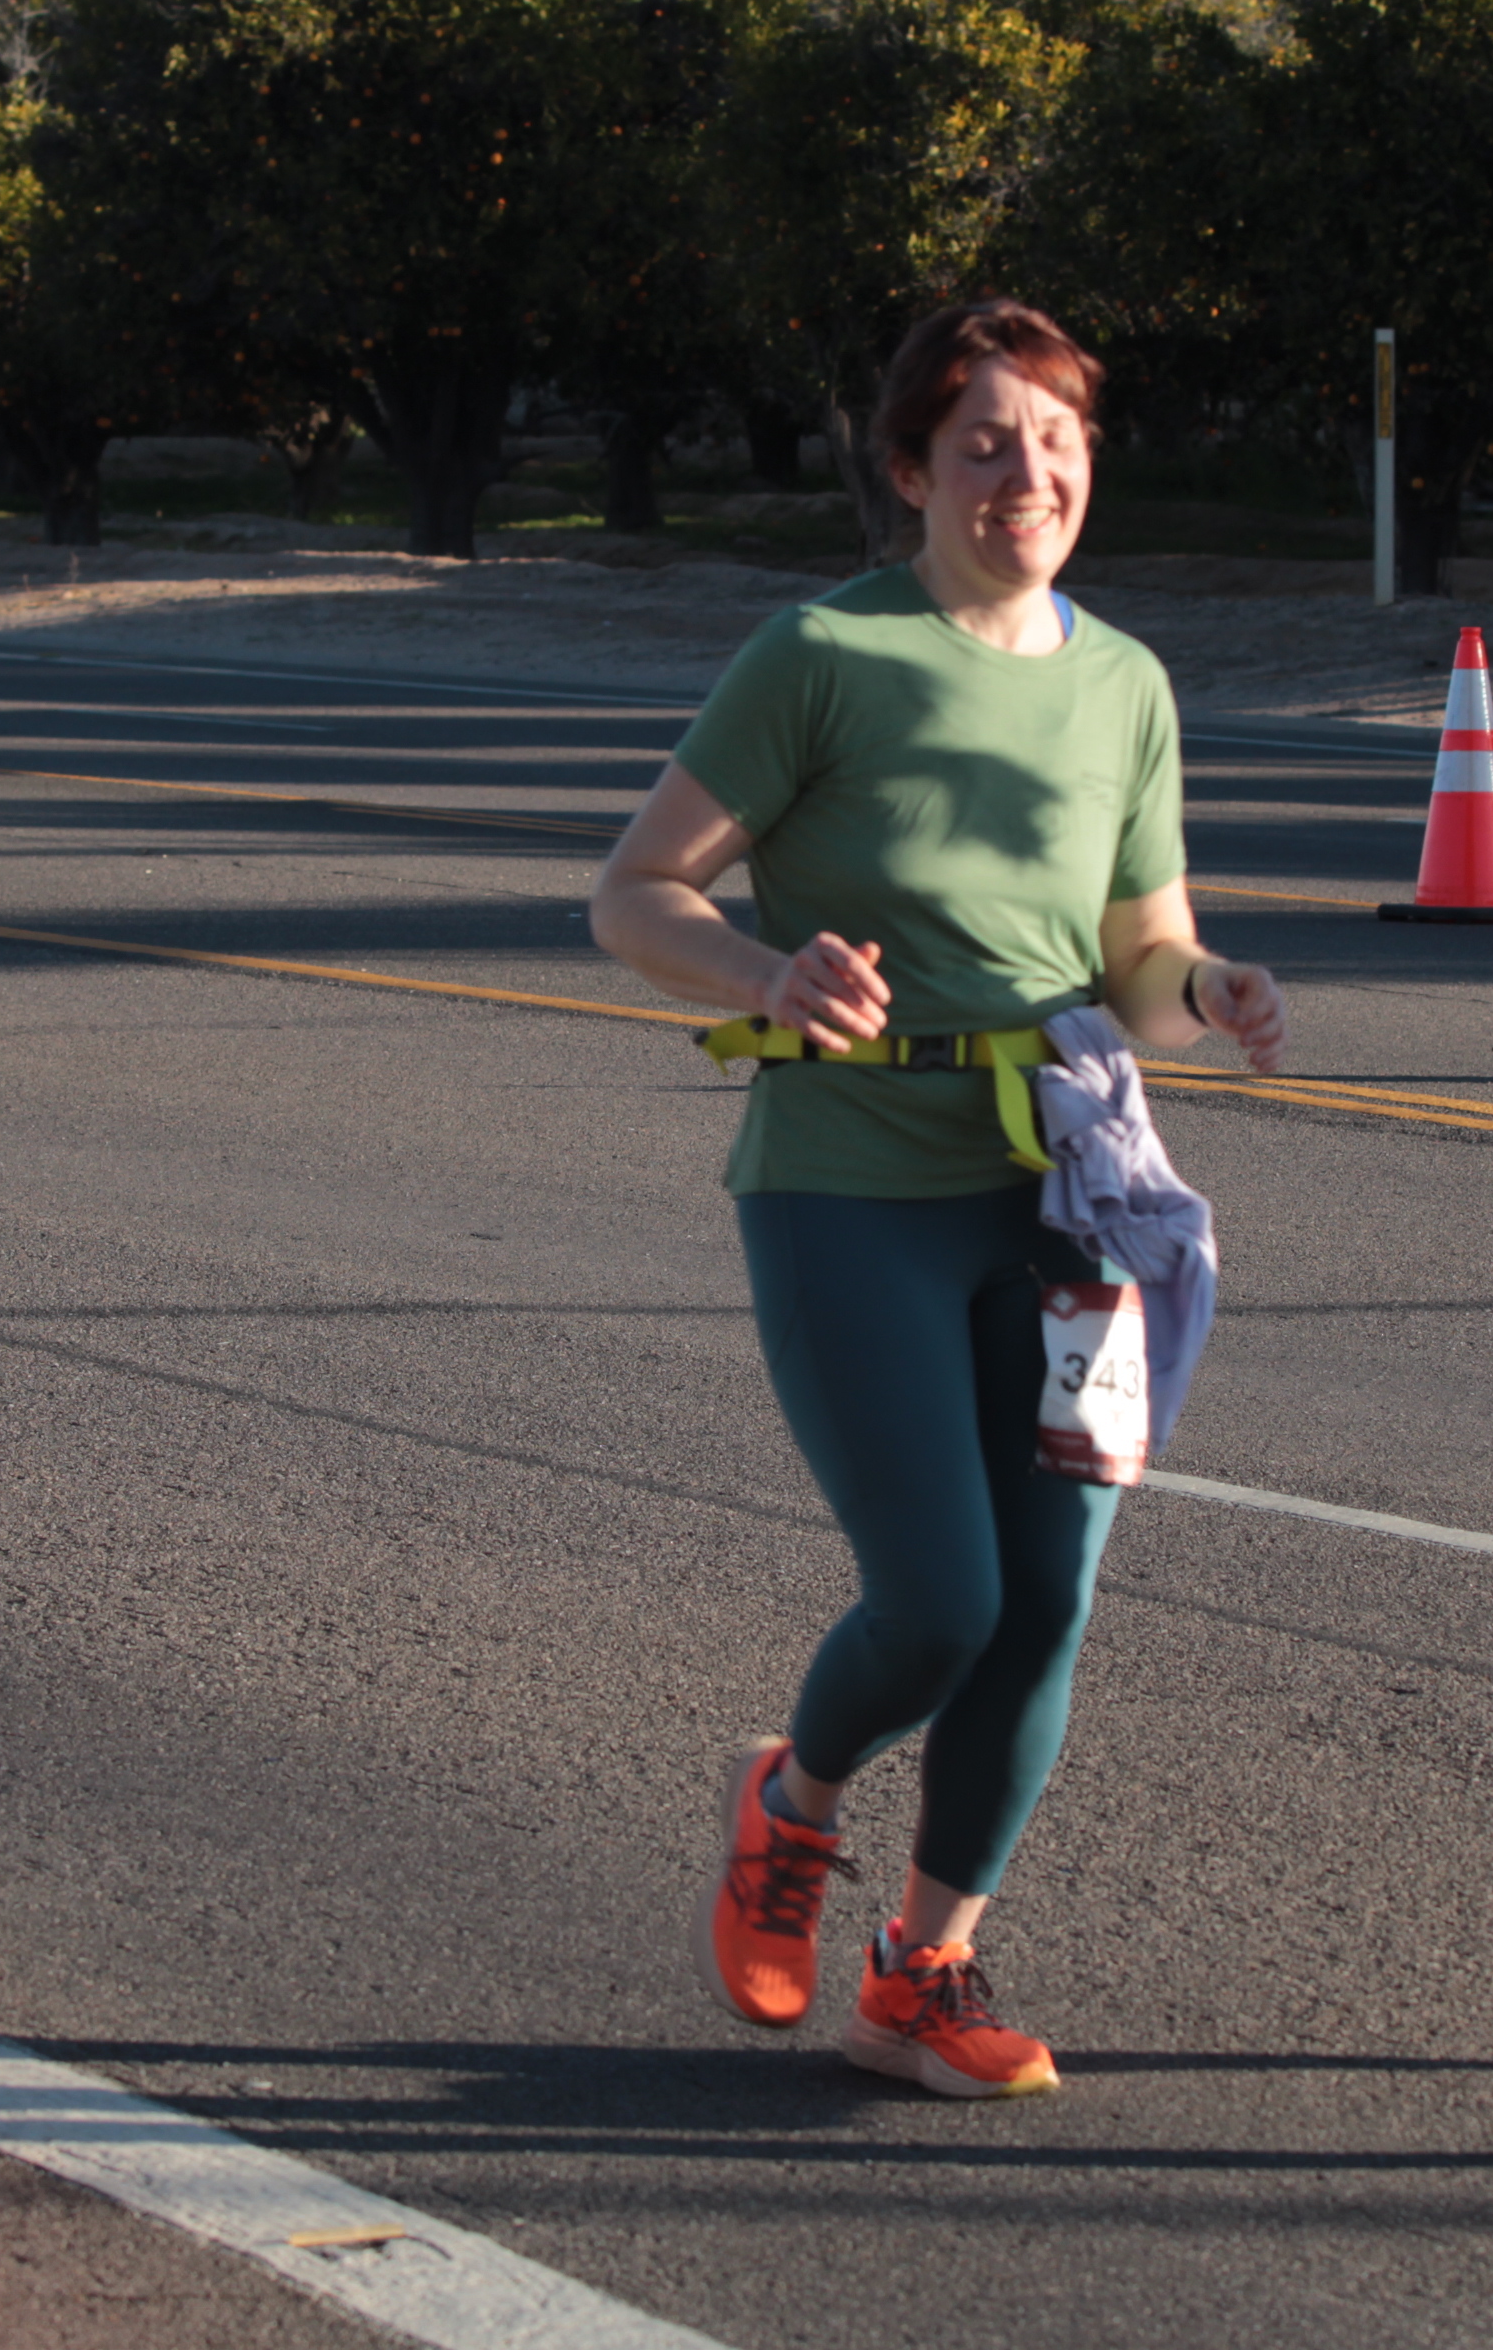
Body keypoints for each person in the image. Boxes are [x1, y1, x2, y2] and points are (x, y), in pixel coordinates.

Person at [590, 300, 1287, 2098]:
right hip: (850, 1182)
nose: (1024, 476)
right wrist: (763, 973)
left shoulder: (1124, 686)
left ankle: (925, 1972)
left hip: (1065, 1199)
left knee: (1045, 1602)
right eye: (983, 444)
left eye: (1056, 442)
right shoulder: (824, 653)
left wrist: (1204, 990)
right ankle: (793, 1797)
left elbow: (1136, 955)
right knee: (938, 1602)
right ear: (909, 471)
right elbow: (635, 892)